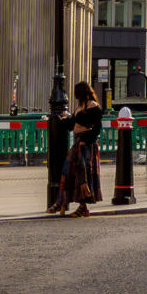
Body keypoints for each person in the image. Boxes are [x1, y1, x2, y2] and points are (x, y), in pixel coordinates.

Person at [52, 82, 105, 216]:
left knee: (83, 174)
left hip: (86, 145)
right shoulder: (80, 107)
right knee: (68, 171)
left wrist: (85, 140)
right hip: (78, 142)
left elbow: (97, 128)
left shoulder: (94, 107)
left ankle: (82, 207)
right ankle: (62, 202)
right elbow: (71, 125)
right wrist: (59, 119)